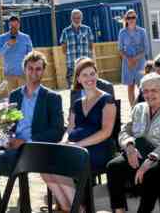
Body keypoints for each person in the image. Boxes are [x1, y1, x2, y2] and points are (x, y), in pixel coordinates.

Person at [0, 50, 64, 210]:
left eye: (38, 69)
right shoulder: (15, 95)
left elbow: (57, 132)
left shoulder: (52, 97)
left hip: (34, 147)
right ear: (24, 69)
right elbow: (7, 124)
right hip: (12, 143)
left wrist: (26, 141)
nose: (34, 72)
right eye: (30, 68)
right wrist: (5, 137)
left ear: (43, 71)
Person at [106, 73, 160, 213]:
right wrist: (129, 147)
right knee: (113, 167)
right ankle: (119, 210)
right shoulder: (138, 108)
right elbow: (125, 131)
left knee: (150, 174)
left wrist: (150, 160)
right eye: (146, 91)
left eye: (154, 90)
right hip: (140, 151)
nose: (149, 94)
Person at [44, 58, 115, 212]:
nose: (90, 78)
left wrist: (76, 146)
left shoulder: (107, 100)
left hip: (97, 150)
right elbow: (69, 129)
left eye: (92, 74)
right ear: (78, 79)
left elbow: (106, 132)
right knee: (44, 167)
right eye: (85, 75)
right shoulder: (77, 103)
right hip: (76, 148)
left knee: (59, 166)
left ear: (97, 75)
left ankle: (76, 208)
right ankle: (71, 207)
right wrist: (63, 143)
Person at [117, 9, 149, 107]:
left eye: (133, 17)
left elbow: (146, 49)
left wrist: (135, 59)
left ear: (136, 19)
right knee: (130, 87)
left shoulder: (142, 31)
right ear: (126, 19)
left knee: (142, 86)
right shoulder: (122, 32)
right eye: (129, 17)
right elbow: (120, 49)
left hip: (140, 62)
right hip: (127, 63)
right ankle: (133, 109)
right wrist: (129, 60)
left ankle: (143, 107)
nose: (131, 19)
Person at [0, 15, 33, 92]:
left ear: (19, 25)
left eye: (15, 25)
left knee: (24, 97)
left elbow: (31, 55)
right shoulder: (2, 38)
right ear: (8, 25)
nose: (13, 27)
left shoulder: (26, 37)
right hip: (9, 73)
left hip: (23, 73)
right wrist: (7, 45)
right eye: (11, 25)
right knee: (12, 98)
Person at [60, 9, 96, 86]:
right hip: (72, 65)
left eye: (79, 17)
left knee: (88, 87)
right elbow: (63, 49)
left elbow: (91, 46)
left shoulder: (87, 29)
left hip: (86, 65)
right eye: (74, 17)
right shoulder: (65, 31)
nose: (77, 19)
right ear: (71, 18)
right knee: (73, 90)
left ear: (82, 18)